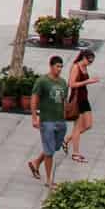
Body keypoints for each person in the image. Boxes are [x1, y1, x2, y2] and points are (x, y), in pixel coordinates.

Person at [27, 55, 71, 189]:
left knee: (54, 147)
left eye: (61, 66)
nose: (59, 69)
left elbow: (64, 101)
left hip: (60, 121)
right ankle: (49, 180)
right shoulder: (42, 81)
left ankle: (36, 162)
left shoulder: (63, 82)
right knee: (50, 151)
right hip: (47, 121)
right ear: (51, 66)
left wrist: (66, 114)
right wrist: (34, 117)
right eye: (57, 66)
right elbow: (34, 99)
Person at [66, 49, 99, 163]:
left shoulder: (85, 67)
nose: (89, 63)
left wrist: (90, 81)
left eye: (91, 61)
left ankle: (67, 139)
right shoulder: (76, 67)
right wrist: (88, 82)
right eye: (88, 60)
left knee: (88, 124)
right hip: (77, 99)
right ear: (83, 57)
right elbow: (71, 84)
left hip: (84, 98)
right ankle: (75, 153)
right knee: (77, 126)